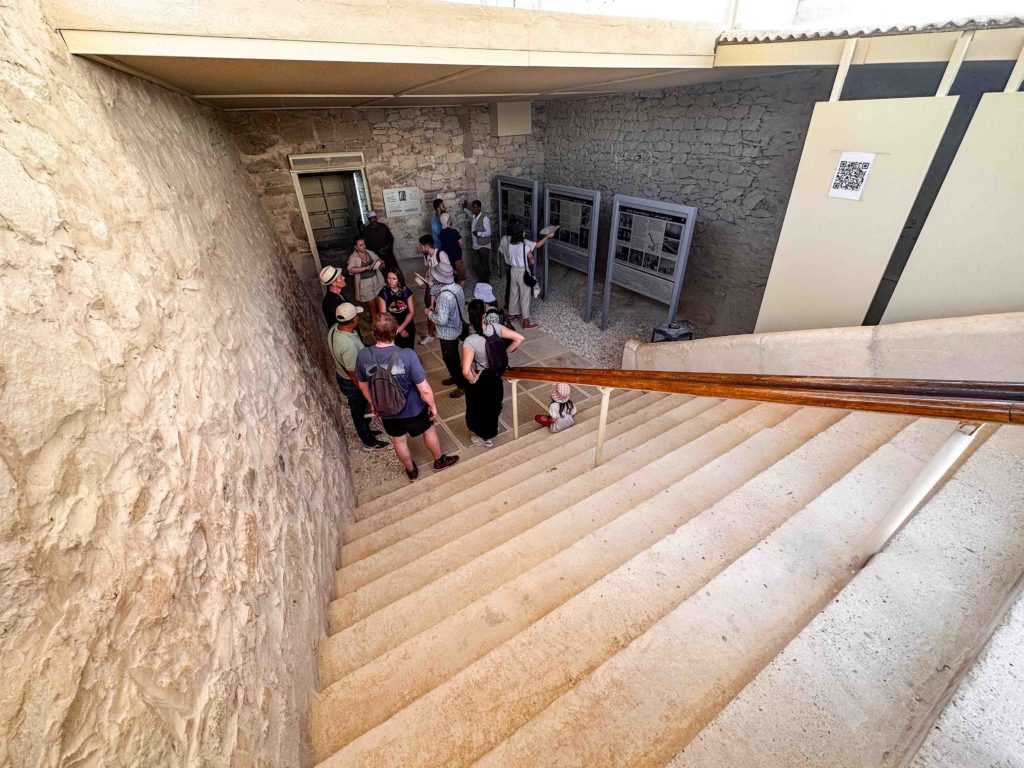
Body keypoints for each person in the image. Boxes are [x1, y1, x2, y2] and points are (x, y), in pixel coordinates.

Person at [356, 313, 459, 481]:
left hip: (387, 410)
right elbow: (424, 388)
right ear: (396, 331)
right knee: (428, 431)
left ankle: (411, 471)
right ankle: (439, 460)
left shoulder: (363, 355)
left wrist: (374, 403)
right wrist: (432, 405)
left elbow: (363, 385)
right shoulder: (407, 355)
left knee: (399, 441)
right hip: (413, 408)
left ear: (374, 333)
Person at [461, 299, 524, 447]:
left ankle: (483, 437)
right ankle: (491, 431)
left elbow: (465, 370)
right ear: (484, 315)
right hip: (495, 374)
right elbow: (519, 338)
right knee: (494, 403)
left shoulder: (470, 341)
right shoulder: (496, 328)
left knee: (478, 407)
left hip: (481, 377)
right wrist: (504, 352)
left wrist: (472, 379)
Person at [328, 302, 389, 450]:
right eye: (357, 315)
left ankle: (367, 430)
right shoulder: (348, 346)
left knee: (359, 410)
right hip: (351, 383)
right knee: (358, 412)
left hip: (342, 376)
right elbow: (354, 375)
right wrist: (367, 394)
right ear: (354, 319)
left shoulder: (334, 330)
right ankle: (369, 442)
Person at [426, 260, 468, 399]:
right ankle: (455, 376)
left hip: (447, 333)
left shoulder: (444, 297)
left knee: (451, 359)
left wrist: (429, 314)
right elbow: (437, 289)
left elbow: (441, 320)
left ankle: (461, 384)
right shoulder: (456, 287)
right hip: (457, 327)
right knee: (454, 358)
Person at [499, 223, 554, 329]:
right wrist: (547, 237)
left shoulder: (510, 245)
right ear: (521, 233)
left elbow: (509, 257)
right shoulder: (525, 246)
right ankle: (526, 322)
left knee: (513, 294)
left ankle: (511, 315)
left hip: (513, 271)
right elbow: (532, 259)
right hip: (523, 271)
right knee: (525, 296)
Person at [417, 234, 453, 345]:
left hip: (441, 289)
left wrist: (436, 282)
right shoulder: (427, 256)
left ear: (427, 246)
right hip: (431, 287)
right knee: (430, 309)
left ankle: (447, 332)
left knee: (443, 310)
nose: (420, 249)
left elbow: (448, 273)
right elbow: (427, 271)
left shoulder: (441, 255)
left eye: (421, 247)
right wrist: (424, 281)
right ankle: (431, 334)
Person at [376, 269, 415, 349]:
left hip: (407, 323)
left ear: (399, 279)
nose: (391, 281)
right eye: (389, 278)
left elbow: (411, 312)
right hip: (392, 326)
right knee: (396, 351)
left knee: (409, 348)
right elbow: (384, 315)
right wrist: (398, 329)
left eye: (394, 278)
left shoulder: (406, 292)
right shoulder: (383, 293)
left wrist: (402, 327)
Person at [347, 237, 386, 317]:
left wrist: (381, 263)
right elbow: (351, 270)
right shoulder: (353, 257)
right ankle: (376, 328)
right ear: (355, 247)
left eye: (364, 244)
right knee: (372, 308)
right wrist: (366, 268)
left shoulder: (370, 253)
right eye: (361, 245)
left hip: (376, 280)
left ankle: (384, 326)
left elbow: (380, 264)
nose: (364, 246)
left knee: (382, 306)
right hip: (364, 284)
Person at [462, 199, 492, 283]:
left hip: (484, 245)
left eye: (475, 207)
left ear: (479, 208)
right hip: (475, 245)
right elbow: (470, 214)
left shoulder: (485, 218)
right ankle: (481, 278)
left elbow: (489, 232)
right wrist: (464, 209)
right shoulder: (474, 216)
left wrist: (479, 233)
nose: (473, 209)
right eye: (472, 207)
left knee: (484, 264)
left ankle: (486, 281)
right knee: (475, 263)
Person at [362, 211, 399, 276]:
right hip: (377, 255)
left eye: (374, 218)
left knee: (394, 270)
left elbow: (391, 238)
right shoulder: (366, 231)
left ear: (376, 218)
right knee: (382, 272)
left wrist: (387, 247)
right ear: (368, 219)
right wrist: (377, 251)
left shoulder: (383, 227)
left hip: (388, 253)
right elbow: (366, 245)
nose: (373, 220)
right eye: (371, 218)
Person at [438, 212, 466, 285]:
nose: (451, 219)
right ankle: (459, 293)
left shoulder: (441, 233)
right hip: (457, 257)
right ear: (447, 221)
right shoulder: (454, 232)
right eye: (449, 218)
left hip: (448, 258)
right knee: (462, 277)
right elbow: (461, 242)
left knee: (454, 276)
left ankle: (454, 289)